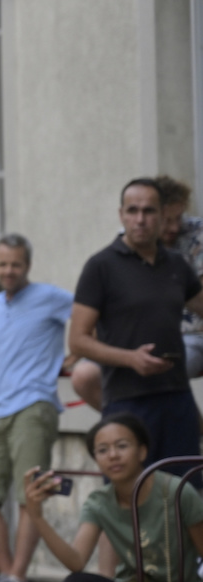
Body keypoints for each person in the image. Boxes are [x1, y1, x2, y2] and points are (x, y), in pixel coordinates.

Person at [23, 413, 203, 582]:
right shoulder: (99, 502)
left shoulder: (177, 491)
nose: (113, 456)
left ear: (142, 450)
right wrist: (37, 517)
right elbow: (75, 561)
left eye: (122, 445)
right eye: (102, 450)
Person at [67, 178, 203, 471]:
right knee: (132, 505)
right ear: (121, 215)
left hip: (176, 399)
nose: (140, 219)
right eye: (133, 210)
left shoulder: (177, 265)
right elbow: (77, 340)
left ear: (161, 215)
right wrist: (130, 359)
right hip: (126, 403)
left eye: (149, 211)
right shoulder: (100, 266)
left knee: (186, 501)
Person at [0, 235, 73, 582]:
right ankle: (9, 573)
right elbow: (1, 349)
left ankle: (16, 578)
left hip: (34, 404)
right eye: (2, 264)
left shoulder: (52, 297)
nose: (8, 271)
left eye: (15, 264)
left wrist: (77, 356)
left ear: (27, 265)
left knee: (31, 497)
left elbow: (90, 318)